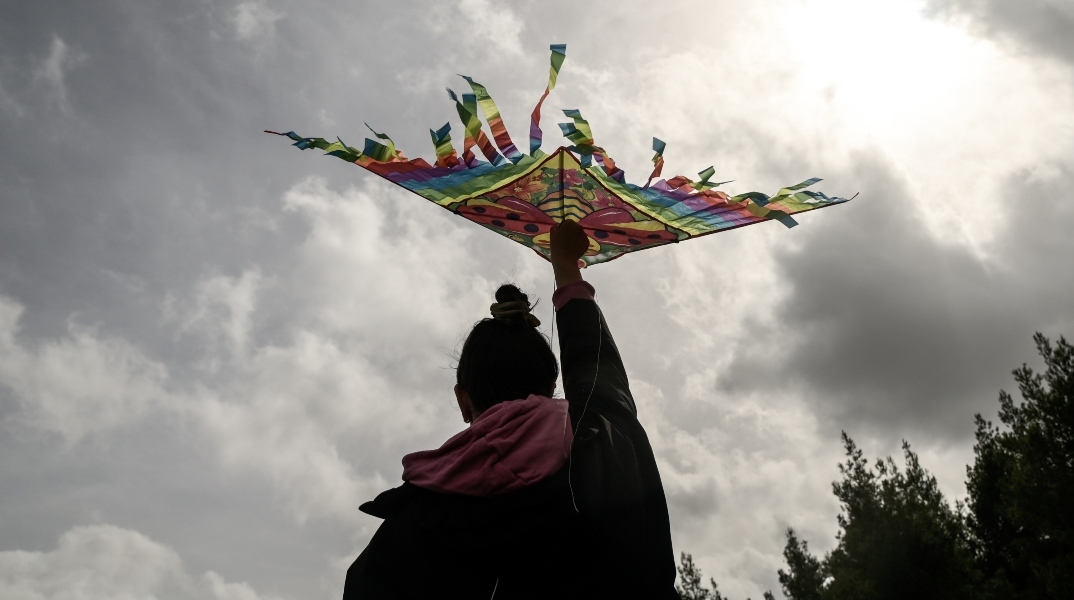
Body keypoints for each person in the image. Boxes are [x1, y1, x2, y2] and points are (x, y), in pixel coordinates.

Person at [343, 220, 677, 599]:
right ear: (552, 388)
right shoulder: (602, 450)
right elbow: (602, 381)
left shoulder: (411, 522)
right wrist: (566, 266)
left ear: (462, 399)